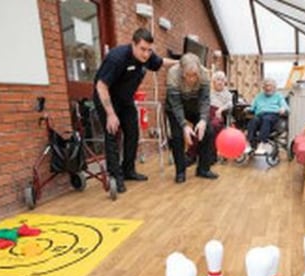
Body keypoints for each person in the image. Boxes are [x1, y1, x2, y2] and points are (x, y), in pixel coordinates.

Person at [93, 28, 176, 194]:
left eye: (149, 50)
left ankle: (128, 170)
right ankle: (115, 176)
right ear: (133, 44)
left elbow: (160, 62)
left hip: (125, 99)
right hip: (107, 99)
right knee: (112, 134)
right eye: (143, 49)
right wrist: (110, 114)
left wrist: (181, 62)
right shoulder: (116, 58)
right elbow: (101, 86)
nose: (146, 54)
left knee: (132, 133)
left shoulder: (147, 57)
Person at [166, 53, 219, 183]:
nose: (191, 79)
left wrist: (203, 120)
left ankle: (203, 169)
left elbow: (205, 100)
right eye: (188, 75)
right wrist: (184, 125)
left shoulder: (205, 74)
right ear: (181, 70)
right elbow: (176, 104)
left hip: (195, 104)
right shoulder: (173, 74)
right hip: (175, 106)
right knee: (177, 136)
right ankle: (180, 172)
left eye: (194, 75)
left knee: (208, 131)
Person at [186, 70, 233, 165]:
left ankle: (210, 156)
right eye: (218, 80)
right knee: (198, 127)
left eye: (222, 80)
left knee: (213, 127)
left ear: (225, 82)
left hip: (218, 114)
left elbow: (230, 104)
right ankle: (191, 155)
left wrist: (220, 109)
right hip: (206, 112)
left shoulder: (227, 94)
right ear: (214, 81)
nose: (220, 82)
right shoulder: (208, 92)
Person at [246, 78, 288, 154]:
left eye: (270, 86)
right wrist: (247, 109)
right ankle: (249, 144)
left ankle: (261, 144)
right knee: (253, 120)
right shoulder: (259, 96)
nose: (268, 88)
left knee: (266, 119)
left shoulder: (278, 96)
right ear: (263, 88)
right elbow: (252, 107)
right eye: (266, 86)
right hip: (260, 115)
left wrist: (283, 109)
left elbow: (286, 107)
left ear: (274, 87)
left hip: (272, 115)